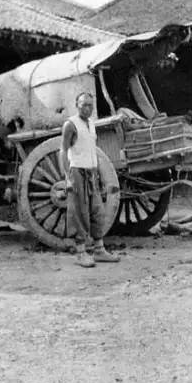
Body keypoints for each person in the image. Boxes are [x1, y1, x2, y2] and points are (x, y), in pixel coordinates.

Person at [60, 92, 120, 268]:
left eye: (90, 105)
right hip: (77, 172)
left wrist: (98, 173)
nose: (88, 108)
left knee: (97, 210)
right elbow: (63, 151)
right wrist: (67, 178)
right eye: (84, 104)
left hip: (91, 172)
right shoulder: (70, 125)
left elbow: (92, 150)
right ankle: (80, 253)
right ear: (76, 105)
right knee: (79, 212)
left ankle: (99, 250)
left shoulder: (91, 124)